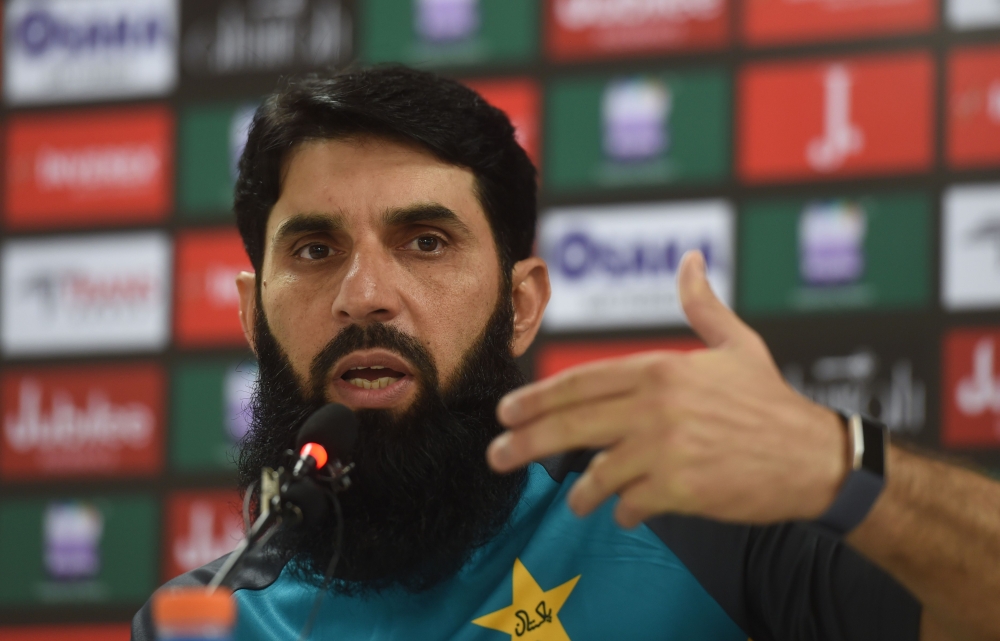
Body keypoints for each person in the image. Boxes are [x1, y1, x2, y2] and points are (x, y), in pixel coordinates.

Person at [132, 65, 1000, 641]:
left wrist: (838, 460)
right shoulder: (195, 621)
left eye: (427, 242)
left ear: (521, 304)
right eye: (315, 250)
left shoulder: (690, 519)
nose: (366, 293)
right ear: (252, 314)